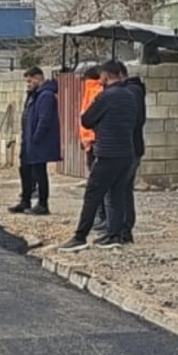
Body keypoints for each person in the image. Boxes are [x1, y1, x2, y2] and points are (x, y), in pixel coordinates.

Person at [58, 61, 135, 252]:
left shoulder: (106, 96)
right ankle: (114, 235)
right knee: (117, 193)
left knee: (93, 193)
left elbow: (87, 119)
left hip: (107, 152)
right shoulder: (130, 95)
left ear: (106, 76)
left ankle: (80, 236)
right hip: (126, 152)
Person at [10, 66, 61, 216]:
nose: (28, 84)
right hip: (28, 139)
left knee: (39, 172)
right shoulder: (35, 95)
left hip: (37, 141)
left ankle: (43, 204)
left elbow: (44, 120)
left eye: (30, 81)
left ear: (38, 78)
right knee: (25, 170)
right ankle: (25, 200)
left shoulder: (46, 96)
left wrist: (36, 138)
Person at [118, 64, 148, 243]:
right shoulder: (134, 91)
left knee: (122, 189)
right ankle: (123, 228)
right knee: (123, 189)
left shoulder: (132, 92)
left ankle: (124, 229)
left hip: (130, 148)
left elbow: (134, 121)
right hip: (130, 147)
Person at [77, 65, 106, 228]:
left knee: (96, 184)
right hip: (93, 141)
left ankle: (101, 216)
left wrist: (87, 140)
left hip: (94, 143)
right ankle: (101, 216)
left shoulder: (94, 91)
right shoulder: (97, 91)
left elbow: (87, 118)